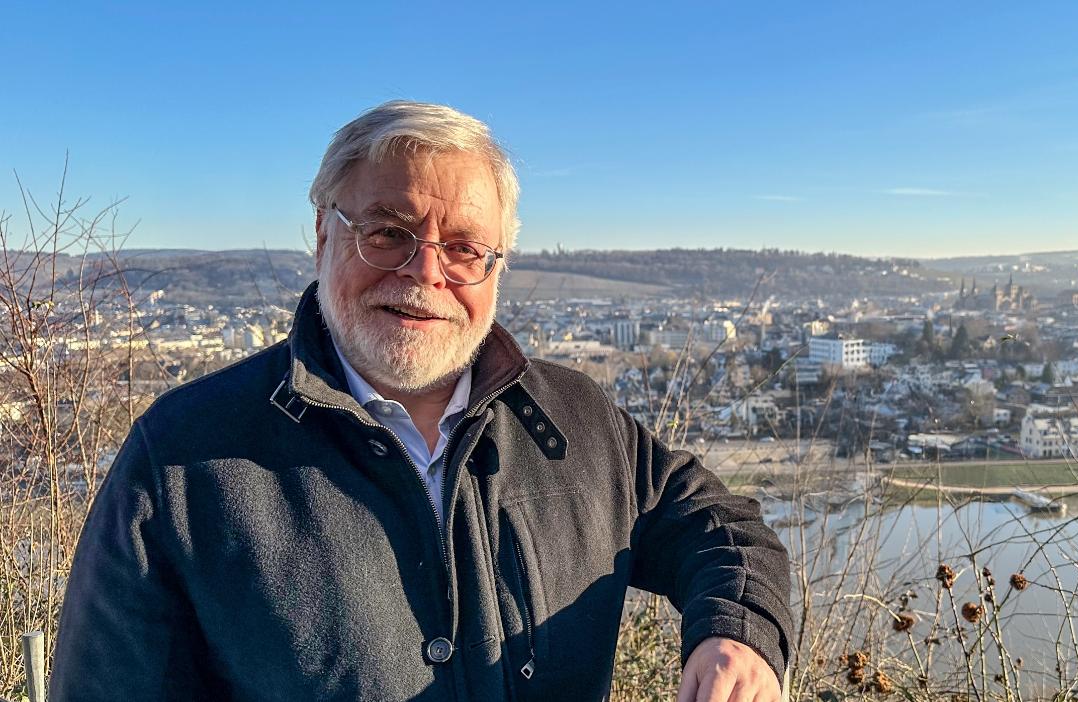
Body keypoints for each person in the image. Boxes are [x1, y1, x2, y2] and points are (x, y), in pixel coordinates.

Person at [51, 100, 791, 701]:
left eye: (465, 247)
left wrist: (738, 633)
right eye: (388, 233)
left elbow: (718, 525)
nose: (424, 273)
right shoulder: (181, 460)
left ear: (498, 266)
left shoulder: (575, 421)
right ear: (322, 235)